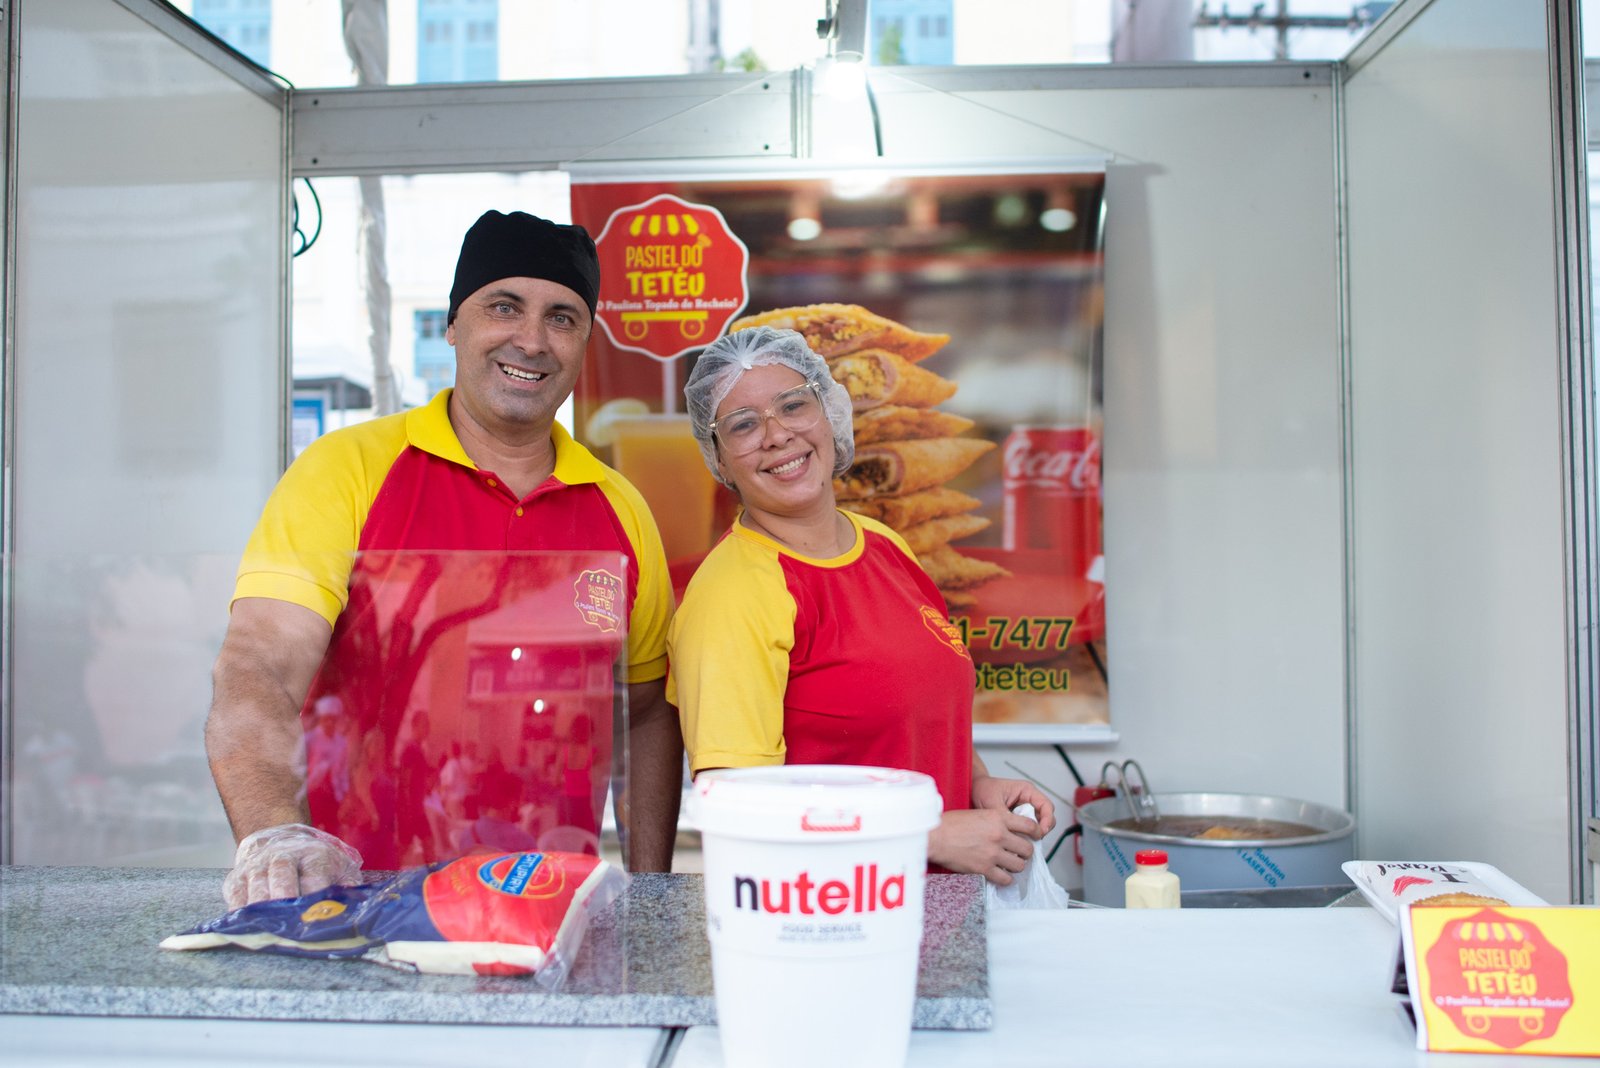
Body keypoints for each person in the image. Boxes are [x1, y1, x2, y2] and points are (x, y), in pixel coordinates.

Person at [207, 210, 683, 906]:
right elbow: (259, 667)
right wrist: (275, 834)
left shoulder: (621, 508)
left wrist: (651, 895)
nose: (532, 339)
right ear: (454, 325)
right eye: (504, 307)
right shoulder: (347, 469)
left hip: (540, 910)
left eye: (562, 318)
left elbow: (645, 714)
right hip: (354, 907)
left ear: (585, 342)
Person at [667, 326, 1055, 885]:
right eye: (744, 425)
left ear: (830, 413)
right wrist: (930, 837)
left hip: (934, 910)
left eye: (793, 405)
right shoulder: (732, 596)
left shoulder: (883, 545)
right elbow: (737, 810)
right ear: (720, 460)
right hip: (831, 916)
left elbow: (911, 718)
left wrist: (976, 785)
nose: (777, 435)